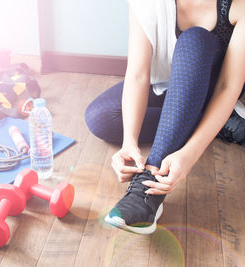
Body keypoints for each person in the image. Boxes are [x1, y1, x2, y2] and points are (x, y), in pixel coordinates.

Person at [85, 0, 245, 234]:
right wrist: (129, 142)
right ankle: (210, 123)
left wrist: (188, 155)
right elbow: (139, 75)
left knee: (194, 39)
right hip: (176, 82)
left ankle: (145, 193)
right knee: (101, 117)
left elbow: (227, 86)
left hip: (223, 88)